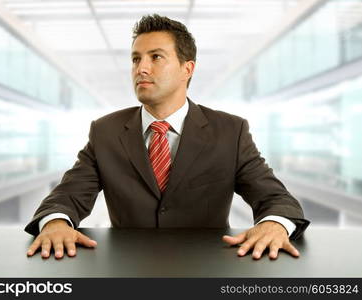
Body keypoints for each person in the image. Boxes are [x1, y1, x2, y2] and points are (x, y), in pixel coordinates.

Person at [25, 14, 309, 260]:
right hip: (125, 271)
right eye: (136, 59)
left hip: (208, 270)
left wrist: (274, 225)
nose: (141, 68)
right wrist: (56, 223)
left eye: (156, 57)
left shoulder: (230, 132)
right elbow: (67, 196)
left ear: (188, 68)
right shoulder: (105, 132)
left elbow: (276, 198)